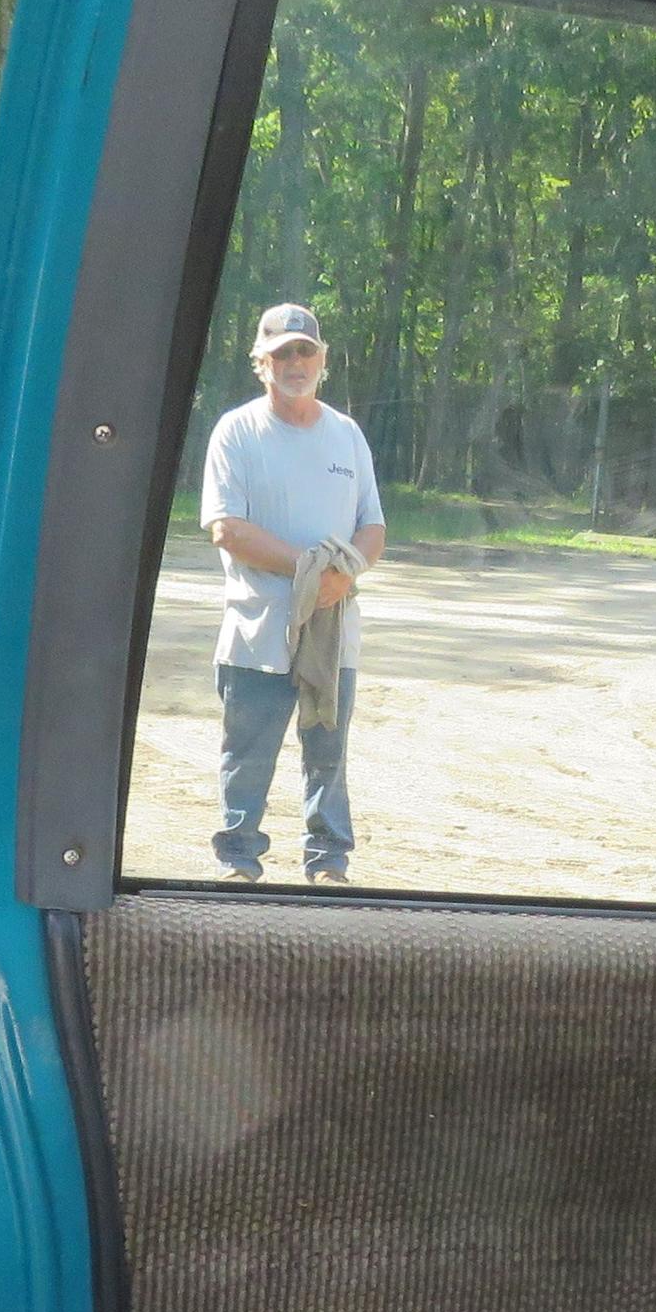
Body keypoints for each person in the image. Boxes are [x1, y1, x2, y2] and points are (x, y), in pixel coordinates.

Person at [199, 301, 385, 883]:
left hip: (332, 630)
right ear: (262, 362)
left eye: (305, 351)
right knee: (247, 755)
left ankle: (328, 862)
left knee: (327, 752)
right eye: (282, 353)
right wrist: (308, 569)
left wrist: (342, 577)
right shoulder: (238, 431)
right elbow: (226, 528)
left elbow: (373, 527)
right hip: (260, 632)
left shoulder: (346, 435)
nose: (295, 362)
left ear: (322, 359)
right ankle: (239, 860)